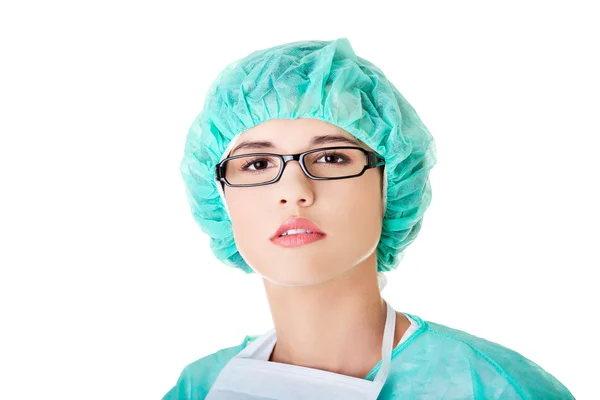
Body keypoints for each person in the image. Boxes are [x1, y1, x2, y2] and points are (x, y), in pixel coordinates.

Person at [163, 38, 574, 399]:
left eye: (331, 157)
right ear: (218, 197)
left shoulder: (494, 387)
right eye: (256, 164)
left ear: (391, 182)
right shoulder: (199, 388)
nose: (295, 191)